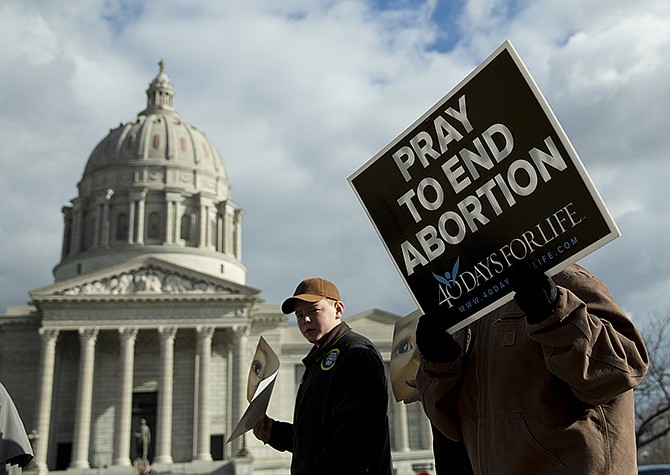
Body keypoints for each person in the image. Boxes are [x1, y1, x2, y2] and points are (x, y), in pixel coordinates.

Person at [414, 262, 649, 474]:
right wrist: (439, 364)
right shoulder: (468, 308)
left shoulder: (566, 278)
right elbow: (453, 428)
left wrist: (555, 312)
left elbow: (623, 368)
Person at [253, 277, 393, 474]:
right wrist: (276, 433)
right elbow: (318, 437)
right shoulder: (318, 359)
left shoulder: (355, 353)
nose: (305, 320)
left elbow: (355, 438)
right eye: (299, 315)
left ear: (338, 309)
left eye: (313, 311)